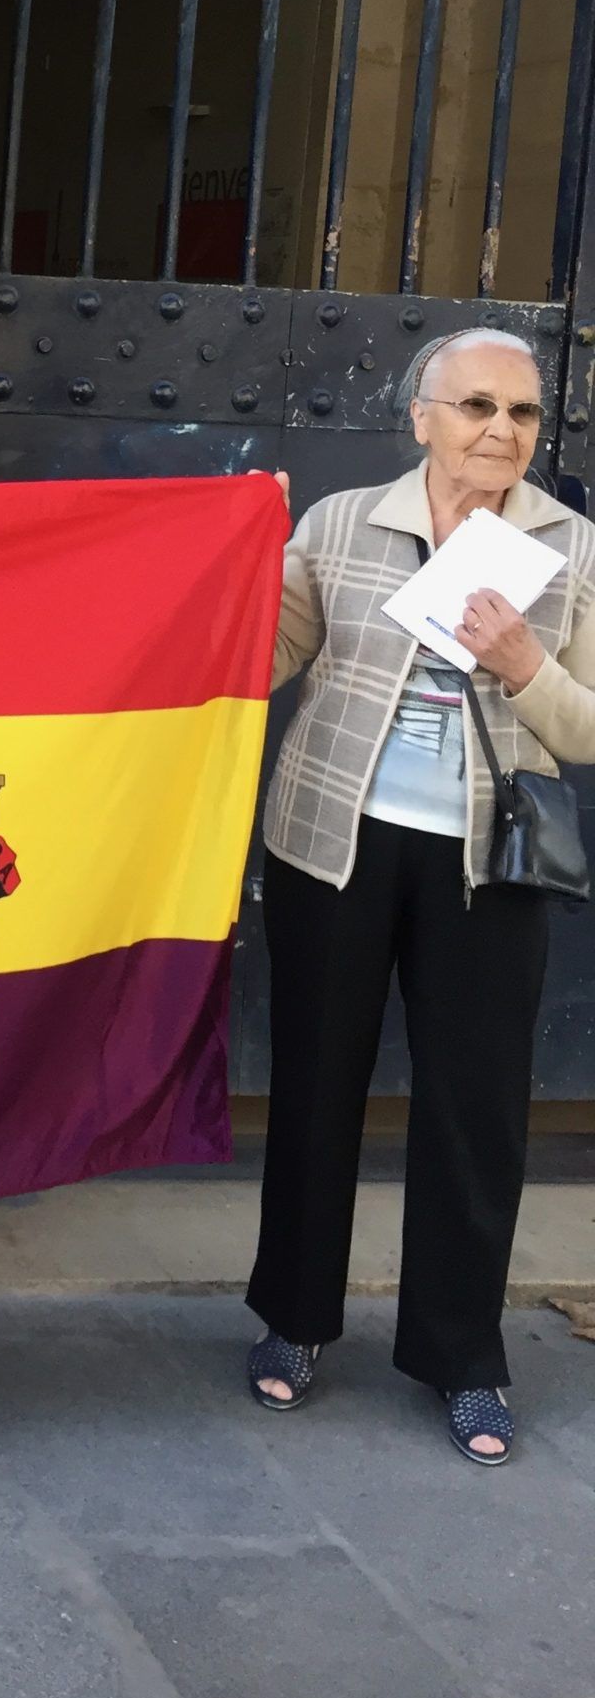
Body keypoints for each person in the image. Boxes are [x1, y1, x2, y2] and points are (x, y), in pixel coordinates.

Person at [246, 327, 595, 1466]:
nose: (502, 430)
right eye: (477, 405)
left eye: (523, 412)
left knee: (473, 1111)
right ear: (421, 418)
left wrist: (524, 666)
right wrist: (239, 555)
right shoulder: (343, 523)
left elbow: (589, 725)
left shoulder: (571, 546)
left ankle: (463, 1357)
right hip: (333, 844)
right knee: (315, 1089)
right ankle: (294, 1318)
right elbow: (262, 658)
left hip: (489, 865)